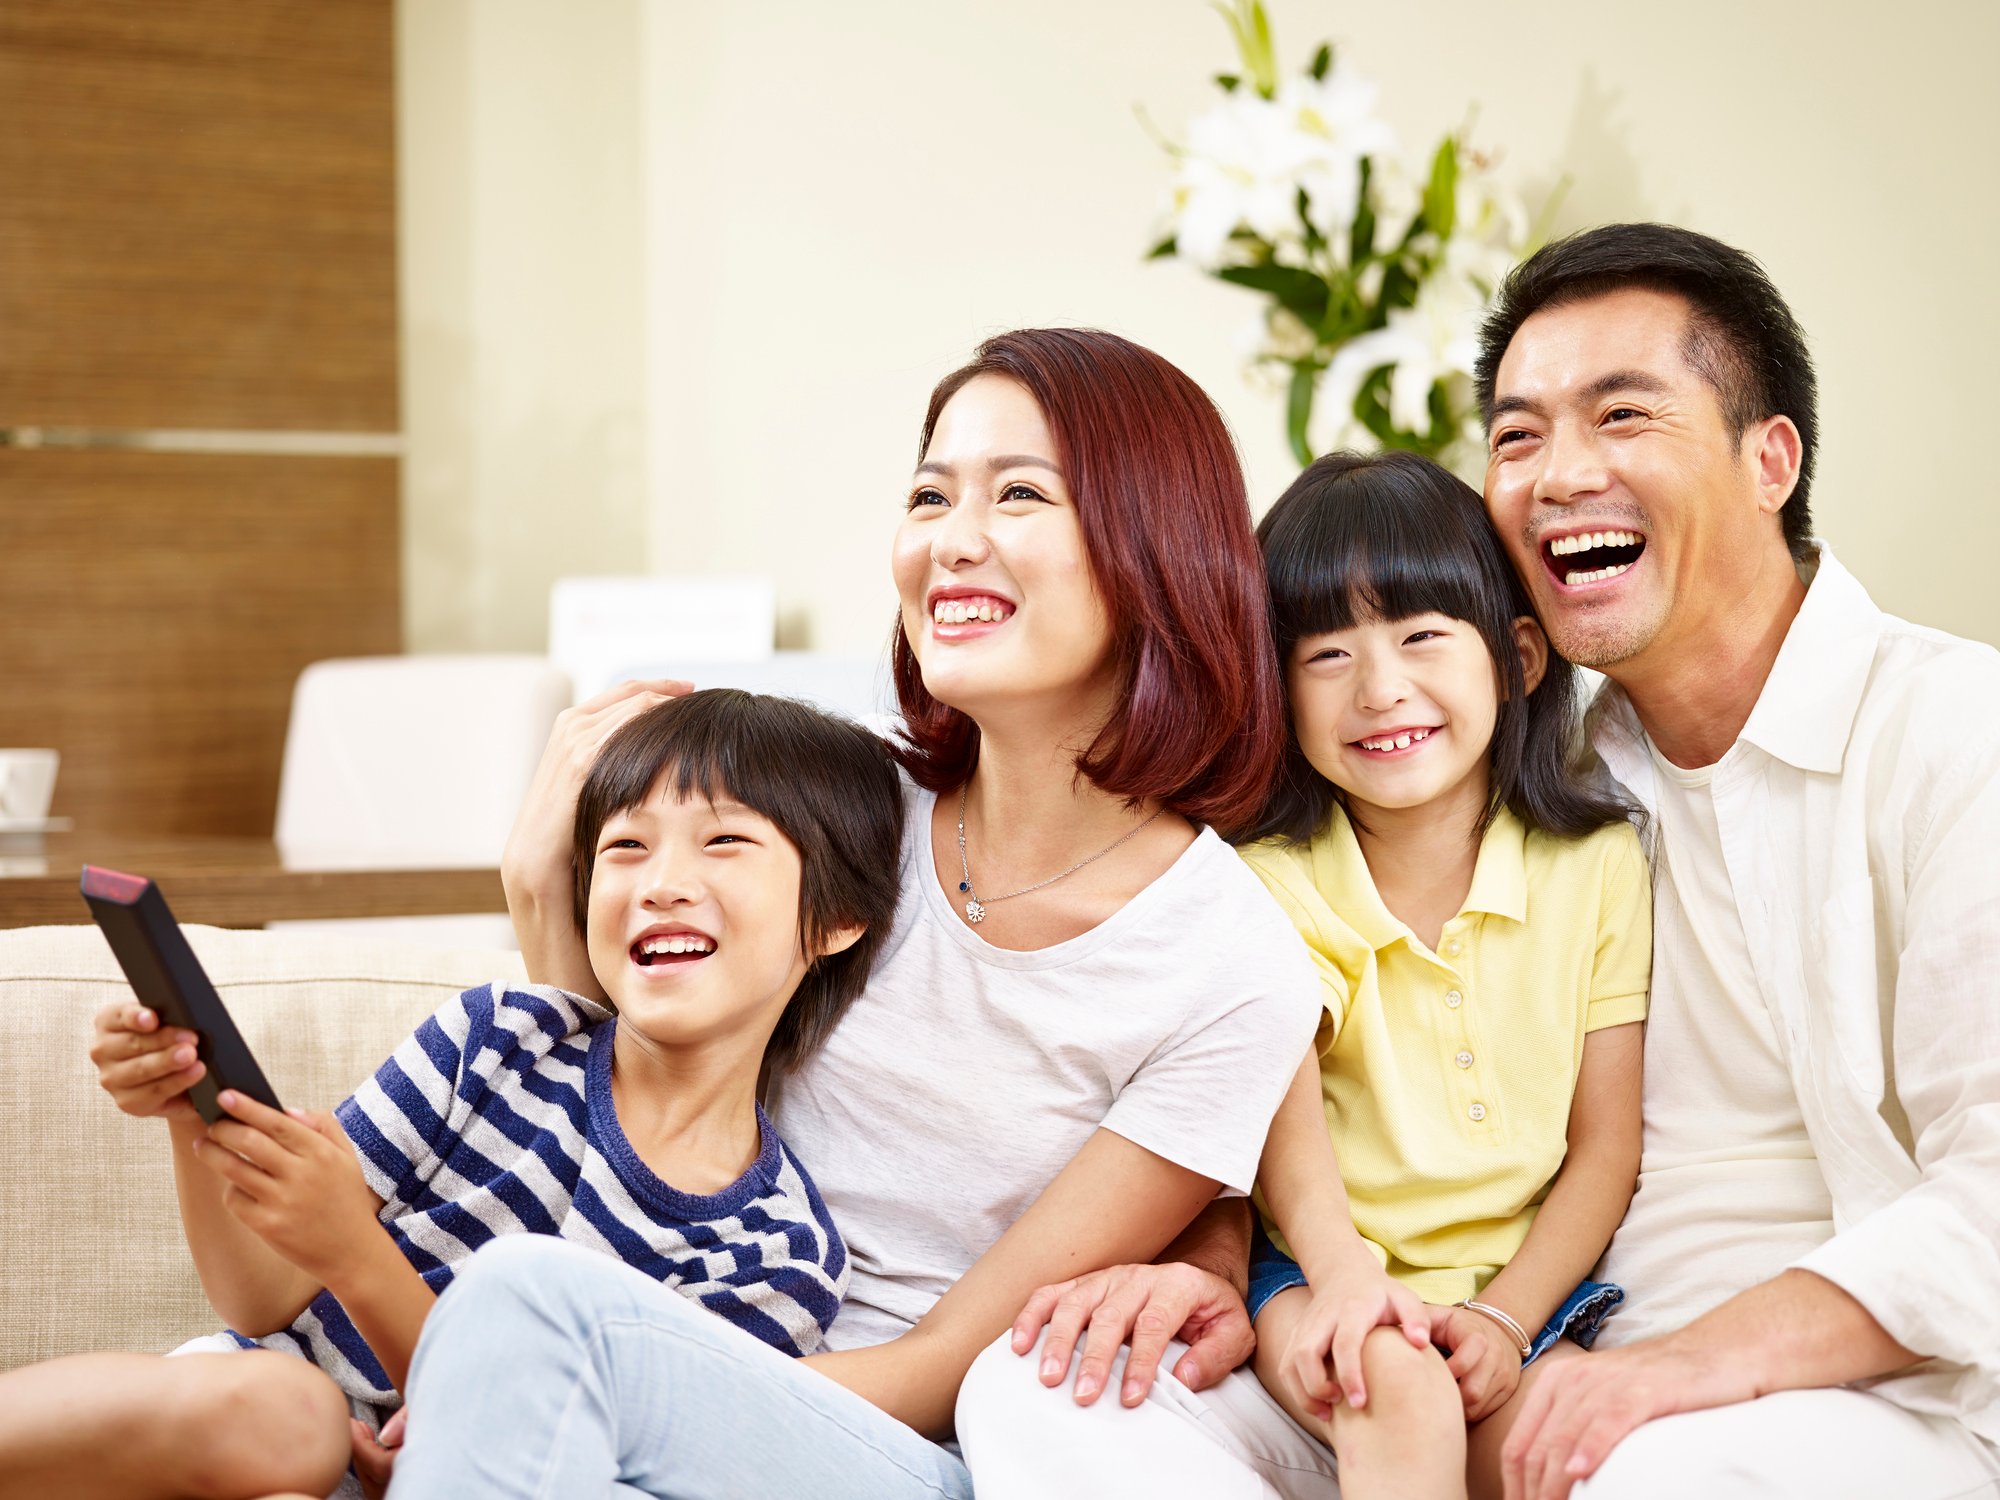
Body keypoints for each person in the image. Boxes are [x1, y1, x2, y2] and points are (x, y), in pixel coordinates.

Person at [380, 327, 1325, 1499]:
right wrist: (543, 892)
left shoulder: (1231, 966)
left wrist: (600, 1386)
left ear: (1156, 550)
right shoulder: (835, 805)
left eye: (1018, 495)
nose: (951, 541)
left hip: (902, 1444)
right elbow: (617, 1112)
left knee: (522, 1303)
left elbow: (941, 1361)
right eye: (929, 495)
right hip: (668, 1363)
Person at [0, 688, 901, 1500]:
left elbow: (537, 1437)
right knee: (288, 1414)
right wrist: (190, 1111)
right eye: (625, 847)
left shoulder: (775, 1255)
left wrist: (357, 1255)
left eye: (724, 841)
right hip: (231, 1424)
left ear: (835, 917)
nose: (661, 884)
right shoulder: (500, 1039)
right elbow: (257, 1299)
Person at [1465, 223, 2000, 1500]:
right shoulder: (1529, 778)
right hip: (1553, 1363)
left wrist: (1674, 1373)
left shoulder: (1954, 732)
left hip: (1898, 1398)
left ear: (1770, 461)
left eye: (1620, 415)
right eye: (1515, 435)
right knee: (1083, 1404)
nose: (1557, 474)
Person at [1234, 450, 1648, 1500]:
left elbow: (1605, 1147)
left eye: (1421, 636)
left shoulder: (1597, 865)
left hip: (1519, 1292)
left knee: (1574, 1454)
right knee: (1396, 1392)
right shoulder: (1265, 886)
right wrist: (1346, 1285)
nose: (1380, 690)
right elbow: (1288, 1154)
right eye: (1326, 654)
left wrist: (1506, 1319)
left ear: (1517, 658)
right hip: (1318, 1271)